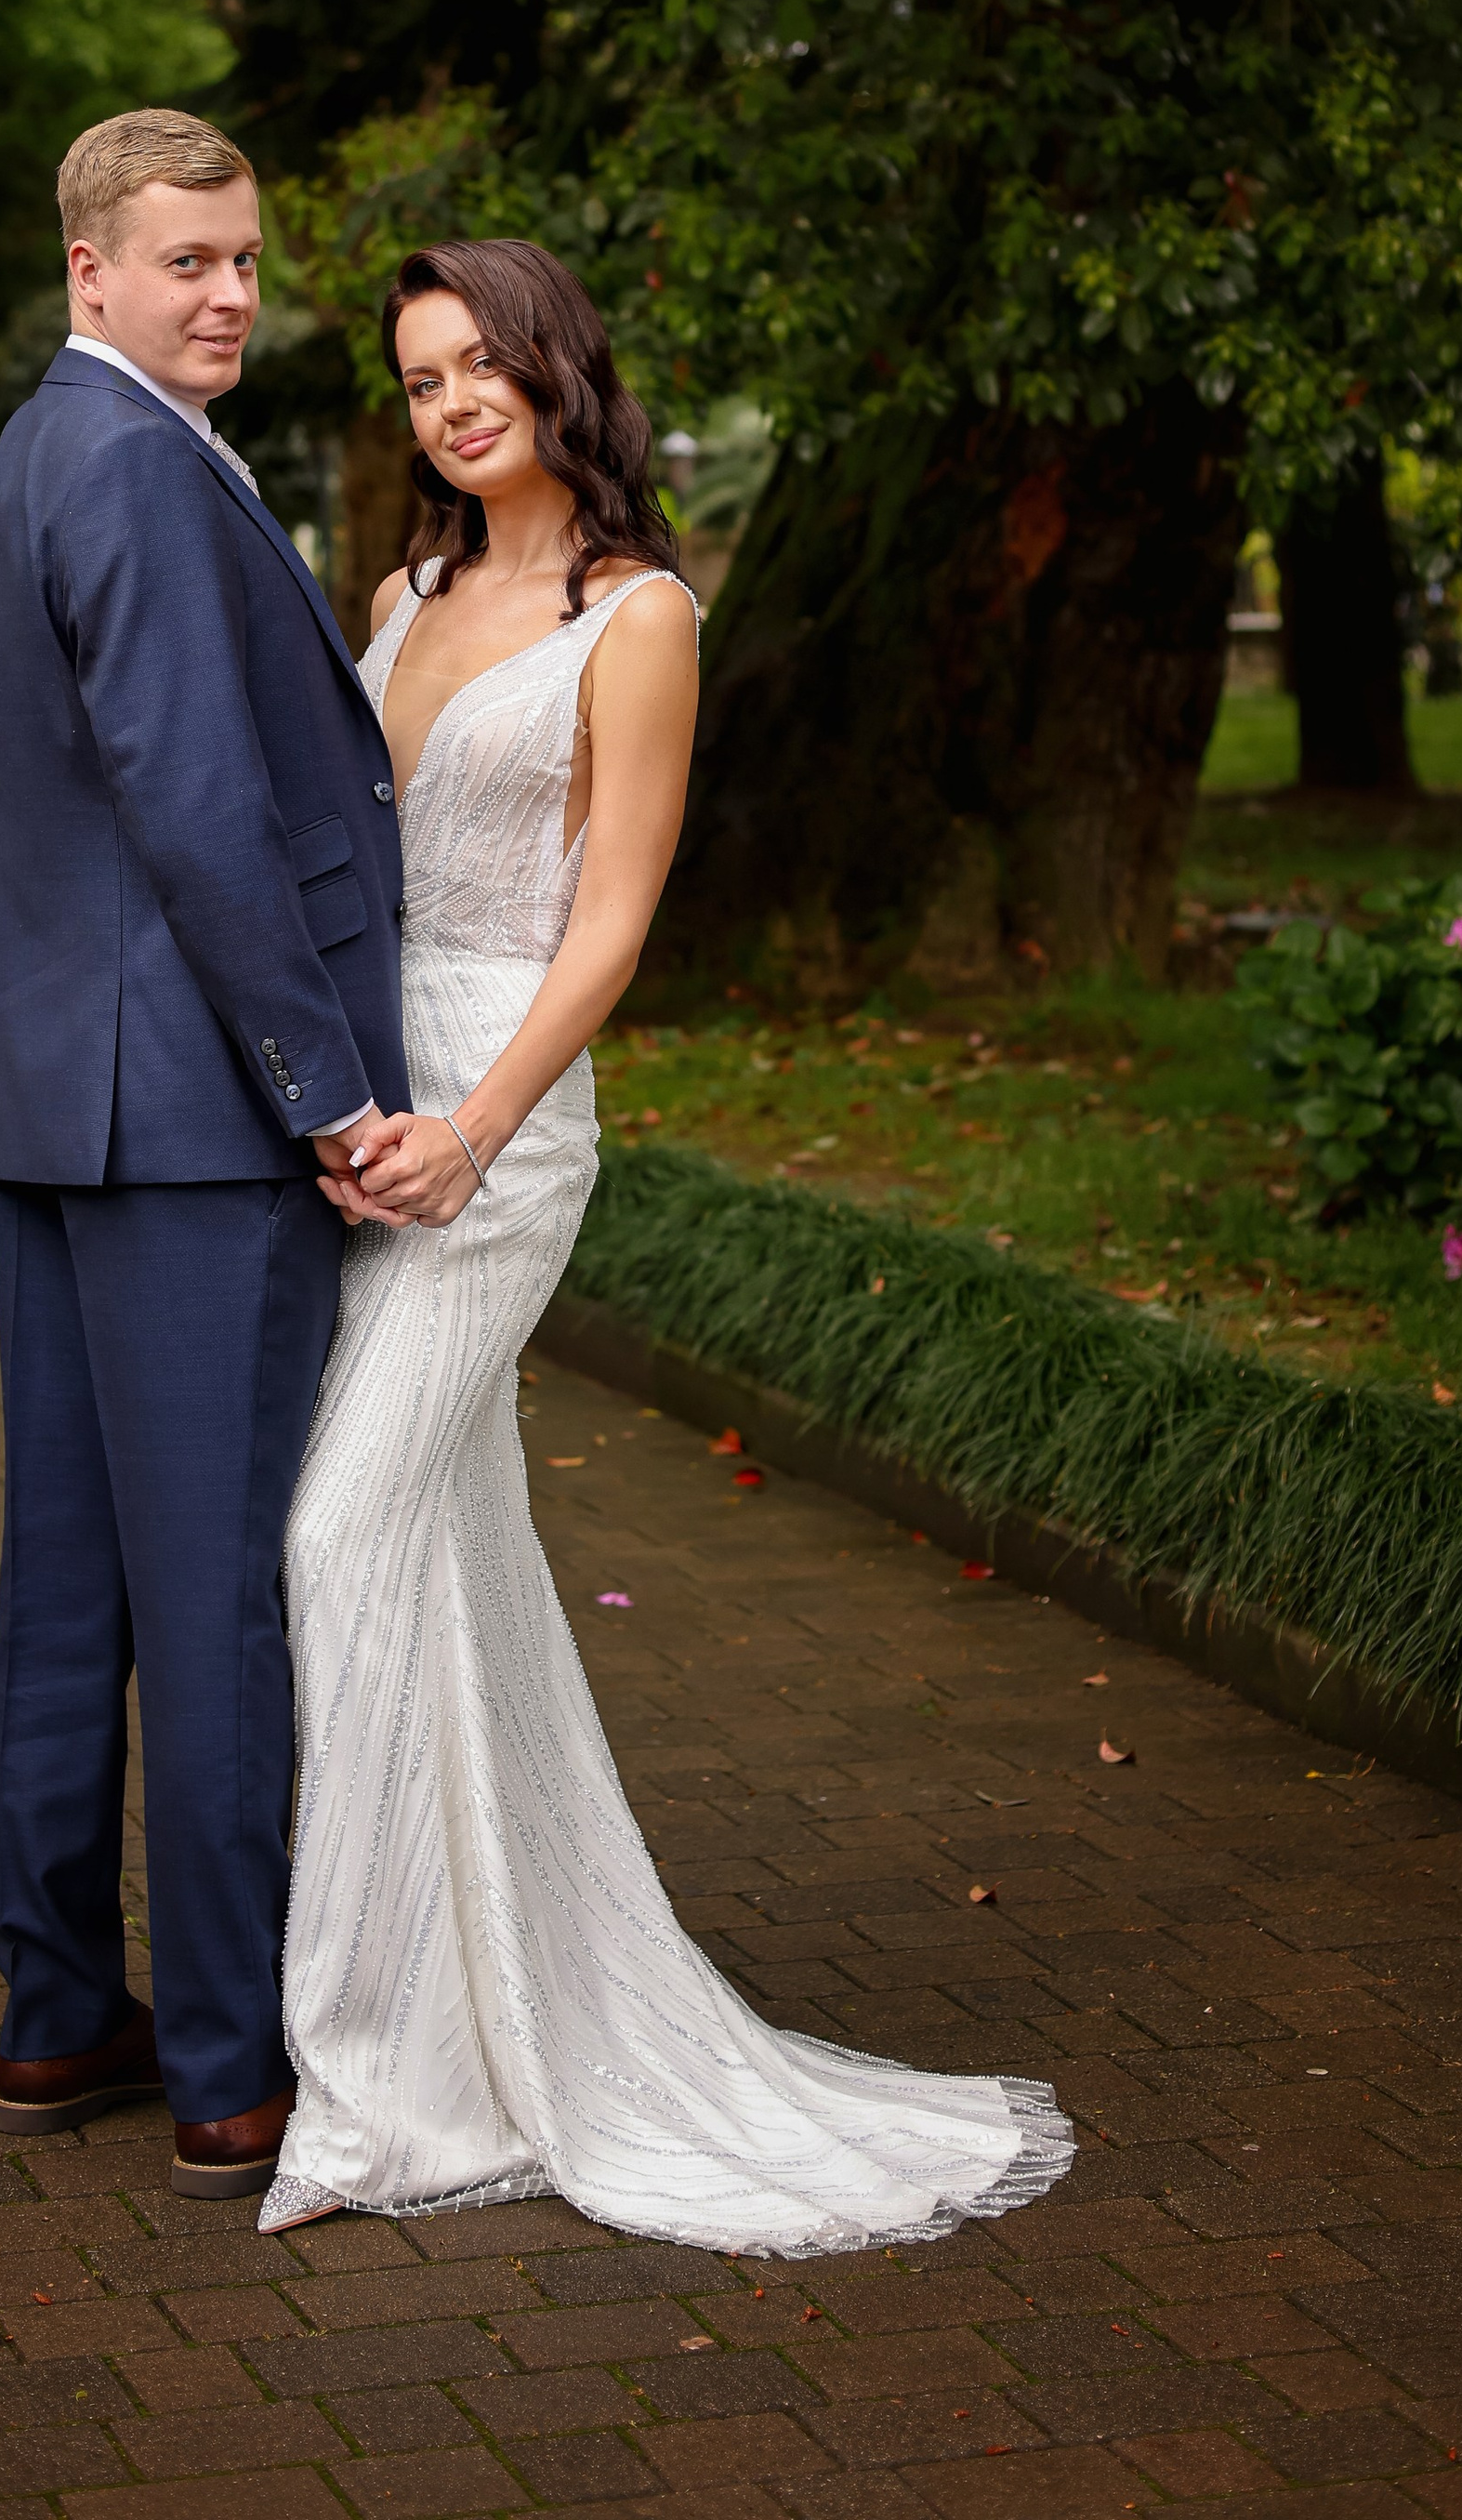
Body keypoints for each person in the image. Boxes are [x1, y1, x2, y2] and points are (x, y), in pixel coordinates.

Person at [261, 240, 1071, 2253]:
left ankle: (377, 2086)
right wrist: (337, 1109)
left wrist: (469, 1130)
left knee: (335, 1539)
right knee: (439, 1554)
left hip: (500, 1135)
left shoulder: (641, 620)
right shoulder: (398, 595)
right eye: (420, 377)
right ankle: (461, 2020)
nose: (452, 404)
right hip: (371, 1121)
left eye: (480, 366)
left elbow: (611, 926)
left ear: (557, 373)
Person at [0, 109, 407, 2200]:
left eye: (244, 258)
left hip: (64, 1105)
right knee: (212, 1601)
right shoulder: (134, 466)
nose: (229, 290)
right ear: (91, 274)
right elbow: (199, 812)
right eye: (187, 261)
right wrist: (325, 1091)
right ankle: (229, 2064)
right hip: (194, 1132)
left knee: (71, 1586)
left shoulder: (36, 456)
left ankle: (60, 2013)